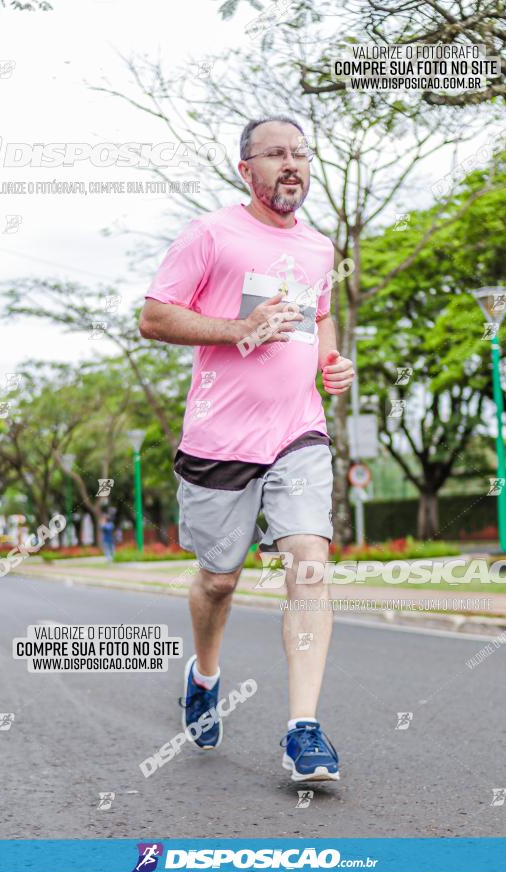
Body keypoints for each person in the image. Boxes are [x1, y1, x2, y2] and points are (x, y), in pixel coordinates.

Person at [139, 116, 355, 782]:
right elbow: (153, 316)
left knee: (309, 561)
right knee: (220, 579)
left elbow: (318, 313)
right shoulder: (211, 235)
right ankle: (205, 674)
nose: (291, 164)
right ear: (246, 170)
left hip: (297, 431)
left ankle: (302, 731)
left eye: (300, 154)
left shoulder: (319, 247)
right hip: (219, 438)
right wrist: (237, 328)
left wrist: (332, 362)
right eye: (275, 154)